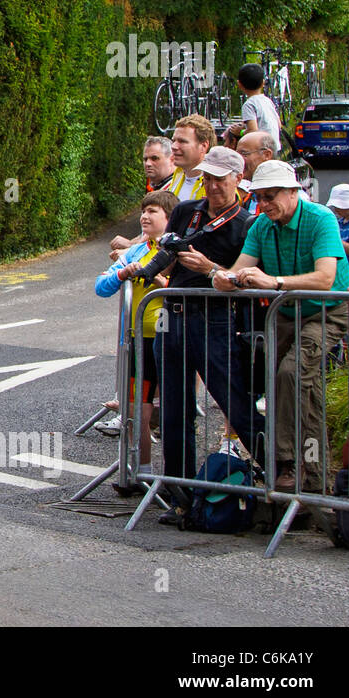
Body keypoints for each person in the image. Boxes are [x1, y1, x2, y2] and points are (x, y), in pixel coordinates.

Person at [217, 160, 349, 493]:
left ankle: (289, 464)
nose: (263, 204)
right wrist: (221, 277)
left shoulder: (321, 219)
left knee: (291, 374)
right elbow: (237, 272)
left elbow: (325, 279)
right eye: (259, 197)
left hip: (325, 312)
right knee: (297, 390)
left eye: (270, 195)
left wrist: (272, 281)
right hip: (287, 314)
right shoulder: (261, 226)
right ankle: (314, 480)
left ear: (294, 192)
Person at [151, 145, 258, 524]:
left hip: (216, 319)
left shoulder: (246, 223)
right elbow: (168, 248)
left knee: (233, 401)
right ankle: (179, 494)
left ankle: (277, 479)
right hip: (173, 313)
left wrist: (210, 266)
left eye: (218, 180)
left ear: (238, 181)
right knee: (176, 410)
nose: (211, 187)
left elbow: (245, 277)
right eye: (207, 179)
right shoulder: (185, 210)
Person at [94, 190, 180, 478]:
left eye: (153, 211)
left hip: (170, 337)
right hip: (137, 340)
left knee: (175, 412)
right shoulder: (136, 250)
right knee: (136, 411)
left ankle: (176, 476)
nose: (144, 216)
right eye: (143, 210)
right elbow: (101, 286)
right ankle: (140, 472)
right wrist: (122, 274)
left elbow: (183, 285)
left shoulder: (178, 250)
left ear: (169, 218)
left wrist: (154, 275)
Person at [111, 136, 180, 254]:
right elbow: (149, 232)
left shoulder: (174, 190)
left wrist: (130, 249)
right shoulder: (157, 186)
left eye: (155, 158)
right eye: (145, 159)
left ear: (171, 159)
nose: (148, 163)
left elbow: (161, 232)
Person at [224, 63, 280, 146]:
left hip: (261, 148)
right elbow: (278, 124)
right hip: (274, 147)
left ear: (239, 84)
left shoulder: (249, 105)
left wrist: (240, 132)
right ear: (263, 83)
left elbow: (253, 131)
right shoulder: (268, 101)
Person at [159, 114, 213, 200]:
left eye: (182, 141)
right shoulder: (177, 175)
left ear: (203, 146)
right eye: (174, 141)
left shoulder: (216, 186)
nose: (174, 146)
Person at [327, 184, 349, 284]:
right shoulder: (339, 222)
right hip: (340, 272)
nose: (335, 209)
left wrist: (331, 237)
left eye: (339, 206)